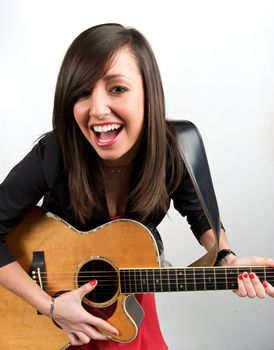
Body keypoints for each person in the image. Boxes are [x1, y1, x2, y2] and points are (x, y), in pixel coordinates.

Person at [0, 23, 273, 350]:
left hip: (125, 311)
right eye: (83, 92)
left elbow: (202, 217)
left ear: (148, 92)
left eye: (117, 89)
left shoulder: (177, 149)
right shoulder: (56, 152)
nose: (98, 109)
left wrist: (227, 260)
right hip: (54, 321)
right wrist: (51, 307)